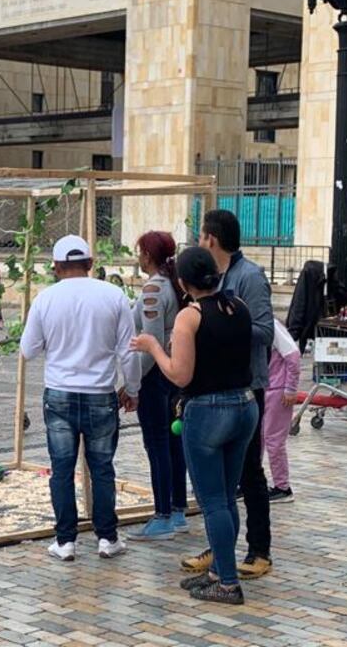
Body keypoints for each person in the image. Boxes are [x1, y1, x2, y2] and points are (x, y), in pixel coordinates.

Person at [131, 246, 257, 605]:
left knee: (213, 501)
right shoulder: (240, 307)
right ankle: (220, 569)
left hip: (207, 410)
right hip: (245, 405)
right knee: (228, 495)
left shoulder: (190, 316)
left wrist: (153, 346)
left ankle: (228, 583)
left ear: (184, 283)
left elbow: (180, 374)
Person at [20, 235, 138, 562]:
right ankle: (107, 537)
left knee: (61, 469)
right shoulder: (114, 296)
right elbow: (128, 352)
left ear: (56, 267)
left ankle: (66, 541)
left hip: (59, 395)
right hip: (101, 394)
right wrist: (132, 389)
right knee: (102, 468)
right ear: (90, 264)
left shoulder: (45, 299)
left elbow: (28, 350)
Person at [180, 210, 275, 581]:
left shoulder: (249, 277)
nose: (199, 240)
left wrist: (222, 329)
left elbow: (265, 331)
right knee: (217, 483)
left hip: (245, 386)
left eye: (201, 235)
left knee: (249, 472)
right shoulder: (211, 278)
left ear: (211, 239)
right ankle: (219, 549)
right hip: (211, 389)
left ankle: (259, 549)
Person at [128, 231, 187, 541]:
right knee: (173, 442)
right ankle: (177, 509)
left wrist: (131, 384)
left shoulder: (154, 288)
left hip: (156, 376)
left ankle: (162, 513)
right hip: (174, 370)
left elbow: (149, 343)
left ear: (148, 255)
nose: (138, 256)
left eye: (140, 251)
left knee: (158, 444)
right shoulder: (174, 284)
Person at [263, 319, 302, 503]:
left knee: (273, 439)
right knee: (259, 439)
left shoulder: (272, 326)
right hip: (266, 387)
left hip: (277, 390)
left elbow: (293, 355)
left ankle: (282, 486)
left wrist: (290, 388)